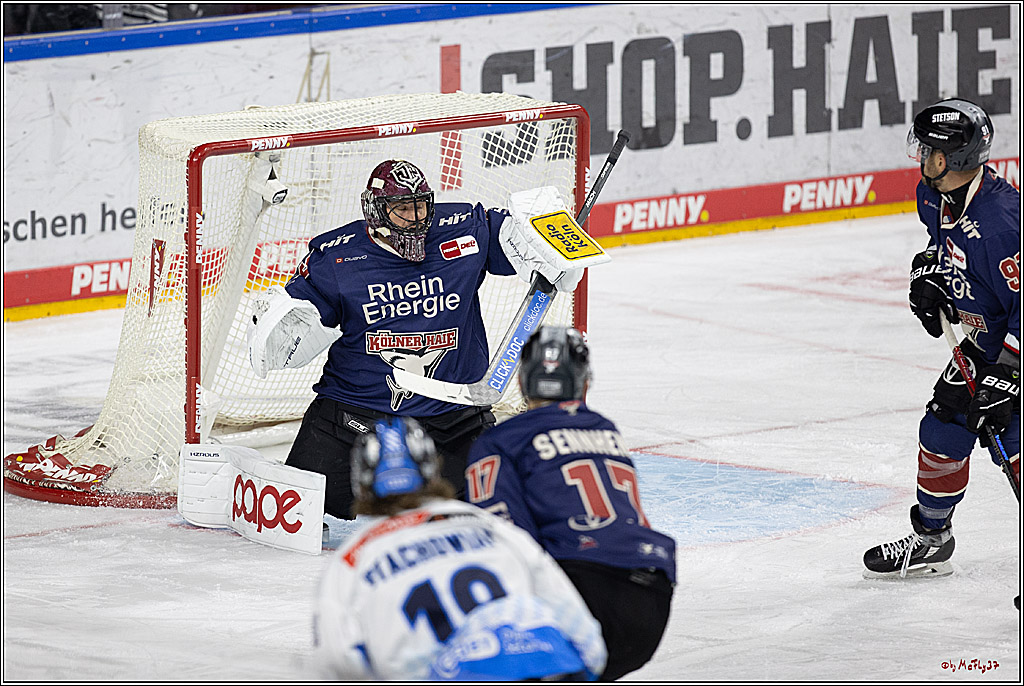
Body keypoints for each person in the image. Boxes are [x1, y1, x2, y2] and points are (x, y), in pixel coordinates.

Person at [246, 159, 582, 522]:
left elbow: (514, 234)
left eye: (421, 205)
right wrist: (280, 328)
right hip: (354, 416)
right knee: (299, 514)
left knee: (493, 517)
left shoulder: (464, 228)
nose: (416, 217)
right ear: (376, 211)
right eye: (403, 208)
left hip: (453, 418)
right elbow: (301, 323)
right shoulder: (338, 256)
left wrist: (554, 244)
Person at [311, 416, 606, 681]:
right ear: (432, 470)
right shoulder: (488, 524)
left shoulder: (352, 556)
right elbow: (574, 620)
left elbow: (340, 659)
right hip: (541, 664)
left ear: (360, 482)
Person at [464, 326, 677, 681]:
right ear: (584, 384)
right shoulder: (606, 429)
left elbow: (505, 538)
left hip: (580, 591)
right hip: (651, 596)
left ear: (521, 382)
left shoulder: (500, 440)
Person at [863, 98, 1020, 579]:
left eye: (929, 150)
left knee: (1015, 449)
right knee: (942, 431)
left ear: (953, 158)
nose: (920, 156)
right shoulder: (931, 195)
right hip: (983, 339)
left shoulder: (1002, 224)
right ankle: (933, 539)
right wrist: (930, 276)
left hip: (1013, 347)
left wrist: (1009, 375)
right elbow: (943, 246)